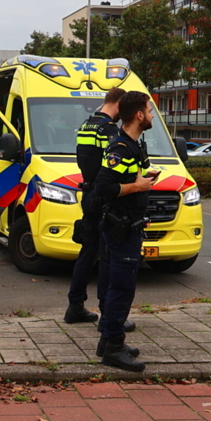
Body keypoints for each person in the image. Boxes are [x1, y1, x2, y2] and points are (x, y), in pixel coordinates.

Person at [92, 91, 159, 372]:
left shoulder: (133, 145)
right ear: (139, 115)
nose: (153, 115)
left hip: (128, 224)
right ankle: (113, 348)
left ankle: (109, 341)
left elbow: (129, 179)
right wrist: (138, 187)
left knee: (115, 285)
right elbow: (104, 187)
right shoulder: (120, 148)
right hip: (121, 229)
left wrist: (143, 183)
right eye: (150, 110)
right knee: (121, 288)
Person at [65, 87, 125, 324]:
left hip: (87, 192)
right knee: (107, 255)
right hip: (102, 197)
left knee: (87, 252)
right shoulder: (108, 129)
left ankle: (75, 306)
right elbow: (111, 166)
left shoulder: (86, 126)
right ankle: (107, 314)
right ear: (118, 103)